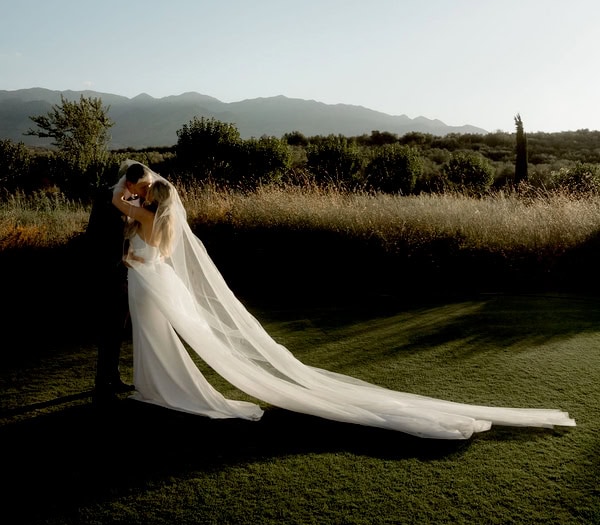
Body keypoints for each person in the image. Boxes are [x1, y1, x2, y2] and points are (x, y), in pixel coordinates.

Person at [111, 164, 576, 440]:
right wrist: (145, 190)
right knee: (158, 341)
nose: (141, 193)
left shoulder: (141, 213)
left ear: (153, 197)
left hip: (147, 283)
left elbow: (116, 200)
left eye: (147, 191)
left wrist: (129, 185)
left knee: (155, 339)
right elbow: (141, 223)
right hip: (155, 280)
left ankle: (160, 390)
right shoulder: (166, 222)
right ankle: (154, 387)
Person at [86, 160, 153, 404]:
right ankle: (101, 386)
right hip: (107, 273)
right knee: (108, 329)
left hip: (125, 274)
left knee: (118, 329)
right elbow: (95, 236)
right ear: (129, 183)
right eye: (143, 186)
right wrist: (115, 262)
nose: (146, 191)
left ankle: (113, 376)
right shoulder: (105, 198)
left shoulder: (135, 200)